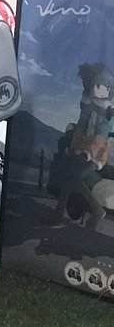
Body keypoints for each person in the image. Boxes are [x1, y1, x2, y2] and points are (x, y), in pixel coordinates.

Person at [52, 63, 114, 230]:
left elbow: (101, 136)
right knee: (71, 175)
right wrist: (75, 146)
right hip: (82, 151)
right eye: (94, 85)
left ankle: (96, 210)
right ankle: (60, 213)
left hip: (96, 155)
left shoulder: (107, 112)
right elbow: (80, 128)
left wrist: (88, 152)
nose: (96, 89)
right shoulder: (88, 107)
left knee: (75, 176)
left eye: (101, 86)